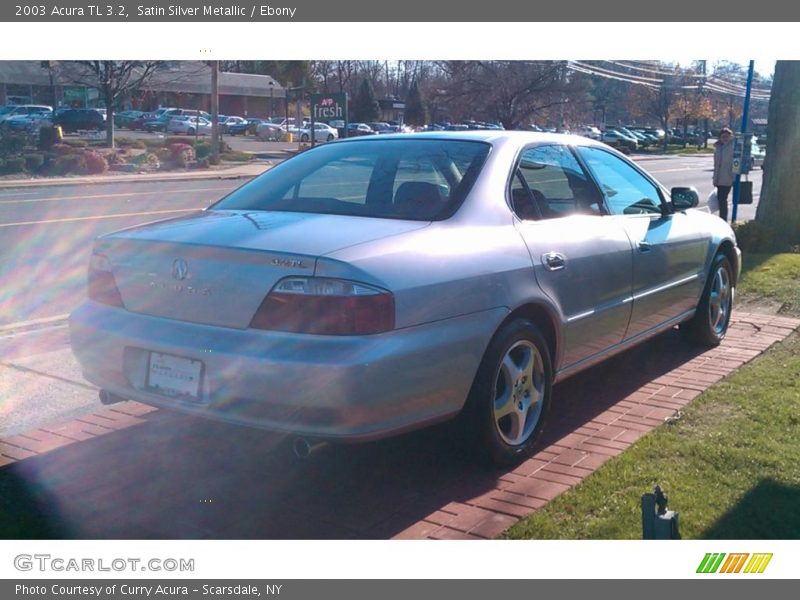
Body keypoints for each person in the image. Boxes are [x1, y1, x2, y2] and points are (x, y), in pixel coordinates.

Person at [713, 128, 735, 222]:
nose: (725, 138)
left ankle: (723, 219)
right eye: (723, 137)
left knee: (722, 199)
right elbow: (716, 165)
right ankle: (722, 218)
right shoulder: (718, 147)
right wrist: (715, 178)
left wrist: (732, 175)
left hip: (727, 177)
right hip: (719, 178)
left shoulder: (732, 146)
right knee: (720, 200)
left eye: (727, 136)